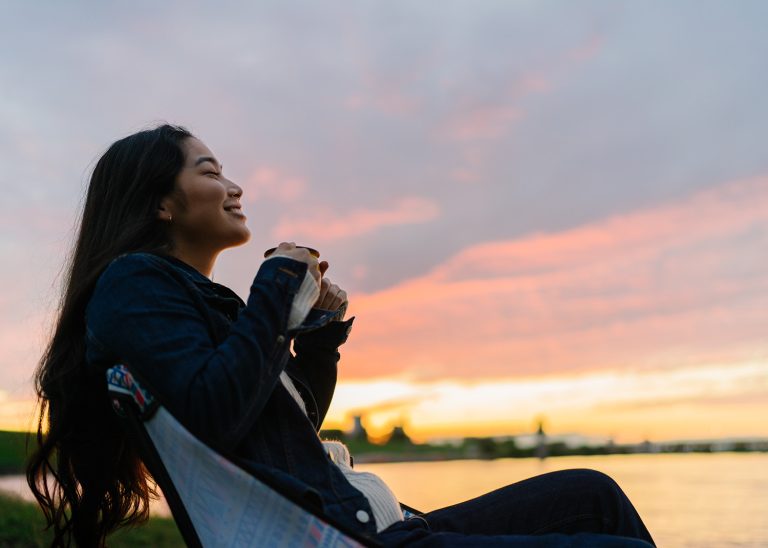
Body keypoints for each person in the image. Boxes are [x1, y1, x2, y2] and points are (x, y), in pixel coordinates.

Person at [27, 124, 655, 547]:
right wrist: (277, 283)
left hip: (371, 521)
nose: (235, 187)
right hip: (350, 536)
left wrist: (317, 342)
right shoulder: (133, 283)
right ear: (161, 203)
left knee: (593, 493)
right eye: (211, 172)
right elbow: (213, 414)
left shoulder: (195, 302)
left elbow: (283, 432)